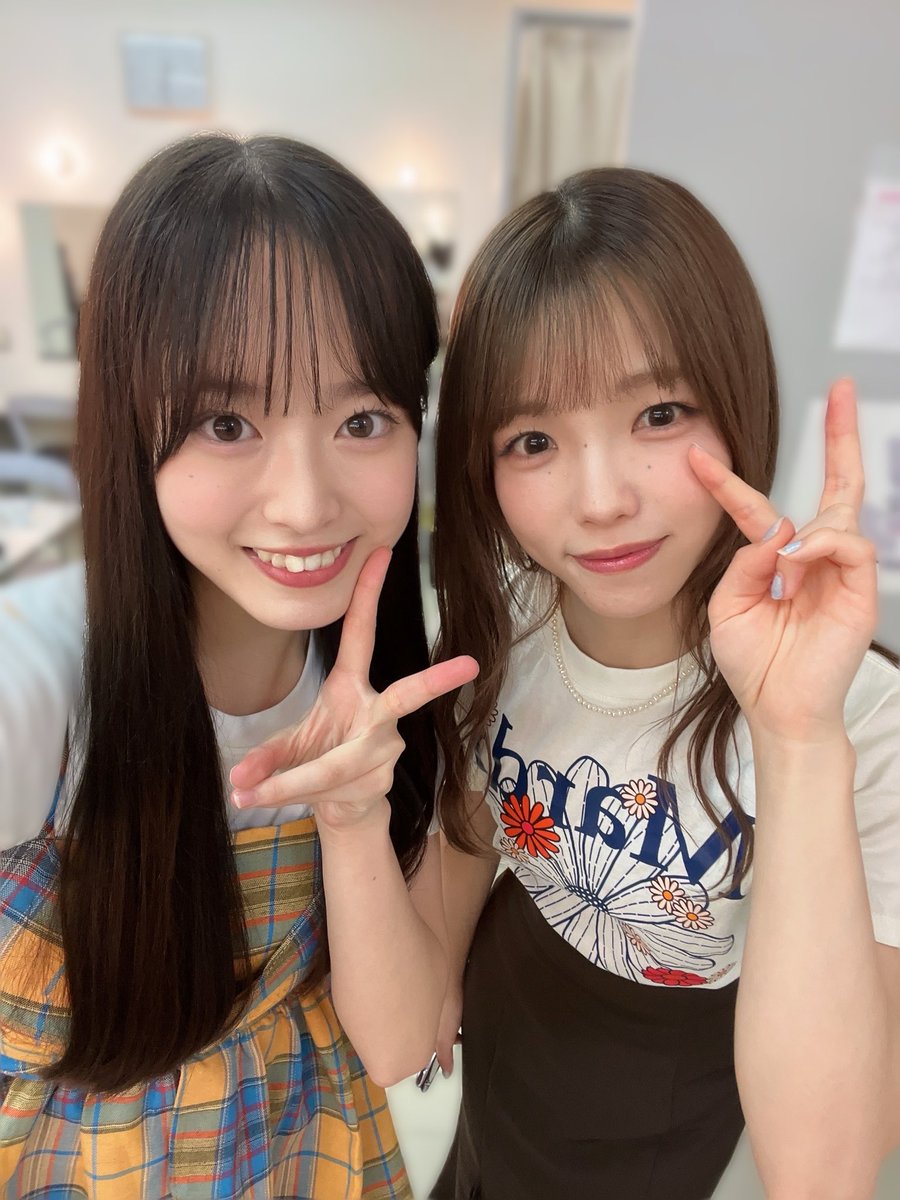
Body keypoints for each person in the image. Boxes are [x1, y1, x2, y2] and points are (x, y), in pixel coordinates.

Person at [0, 132, 476, 1200]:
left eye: (363, 419)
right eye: (228, 422)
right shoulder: (37, 679)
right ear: (132, 426)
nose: (305, 504)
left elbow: (402, 1044)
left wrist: (353, 815)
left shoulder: (410, 683)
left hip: (310, 1150)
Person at [429, 167, 900, 1200]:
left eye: (659, 412)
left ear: (736, 397)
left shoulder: (863, 719)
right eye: (533, 440)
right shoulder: (505, 630)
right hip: (507, 1053)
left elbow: (826, 1171)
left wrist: (797, 739)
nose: (602, 500)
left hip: (664, 1118)